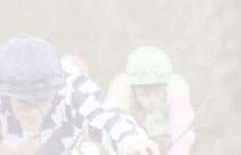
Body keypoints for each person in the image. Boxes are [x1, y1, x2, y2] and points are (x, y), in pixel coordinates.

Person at [0, 36, 157, 155]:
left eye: (41, 100)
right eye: (24, 103)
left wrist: (132, 141)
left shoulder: (70, 86)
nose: (34, 112)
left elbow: (104, 115)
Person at [107, 47, 195, 155]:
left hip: (168, 141)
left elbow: (182, 133)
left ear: (166, 87)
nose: (152, 100)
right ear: (133, 90)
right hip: (133, 143)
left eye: (157, 93)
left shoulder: (176, 89)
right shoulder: (121, 90)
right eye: (145, 94)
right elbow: (113, 130)